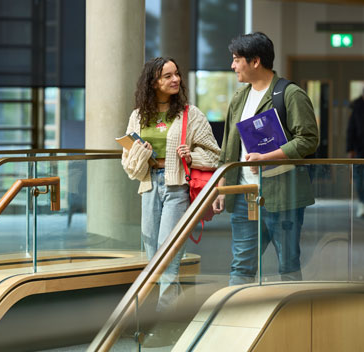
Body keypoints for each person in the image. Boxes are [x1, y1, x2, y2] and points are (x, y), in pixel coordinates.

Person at [212, 32, 319, 286]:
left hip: (284, 194)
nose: (233, 65)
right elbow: (229, 146)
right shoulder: (239, 97)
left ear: (255, 61)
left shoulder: (290, 94)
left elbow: (308, 139)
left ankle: (292, 320)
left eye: (237, 59)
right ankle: (234, 320)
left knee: (288, 265)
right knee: (241, 264)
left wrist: (267, 157)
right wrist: (222, 187)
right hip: (245, 195)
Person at [121, 57, 220, 318]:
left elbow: (214, 154)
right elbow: (129, 165)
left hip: (177, 187)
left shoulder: (191, 114)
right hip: (149, 184)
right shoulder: (138, 116)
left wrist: (191, 156)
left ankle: (165, 320)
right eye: (167, 76)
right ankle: (152, 315)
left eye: (176, 74)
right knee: (152, 250)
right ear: (153, 82)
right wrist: (142, 154)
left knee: (169, 250)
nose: (175, 79)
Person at [347, 88, 364, 218]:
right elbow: (351, 129)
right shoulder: (357, 107)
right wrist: (350, 149)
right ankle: (362, 203)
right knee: (360, 179)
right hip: (360, 149)